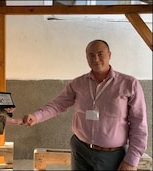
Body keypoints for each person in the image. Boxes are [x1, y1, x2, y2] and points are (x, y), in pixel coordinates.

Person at [23, 40, 148, 170]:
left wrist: (132, 160)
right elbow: (58, 104)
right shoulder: (78, 83)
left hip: (112, 155)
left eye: (100, 54)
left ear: (109, 55)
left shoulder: (129, 84)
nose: (96, 59)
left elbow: (139, 123)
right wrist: (36, 116)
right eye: (91, 55)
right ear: (86, 57)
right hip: (80, 150)